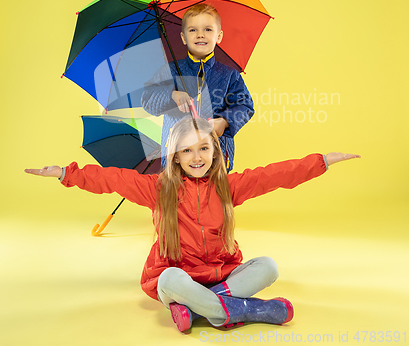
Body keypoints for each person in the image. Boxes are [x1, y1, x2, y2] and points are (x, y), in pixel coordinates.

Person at [25, 117, 360, 333]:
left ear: (215, 151)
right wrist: (65, 174)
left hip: (221, 274)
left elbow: (273, 175)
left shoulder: (228, 187)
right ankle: (249, 310)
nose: (197, 157)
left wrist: (321, 162)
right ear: (175, 156)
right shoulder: (158, 188)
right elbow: (111, 178)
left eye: (203, 148)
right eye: (187, 151)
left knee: (268, 267)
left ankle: (200, 309)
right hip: (175, 277)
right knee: (171, 279)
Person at [141, 3, 254, 172]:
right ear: (184, 37)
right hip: (177, 157)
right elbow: (148, 99)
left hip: (217, 156)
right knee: (177, 197)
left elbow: (245, 106)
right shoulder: (170, 70)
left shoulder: (229, 75)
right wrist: (172, 95)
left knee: (215, 197)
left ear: (219, 36)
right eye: (193, 30)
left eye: (208, 29)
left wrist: (224, 121)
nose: (200, 35)